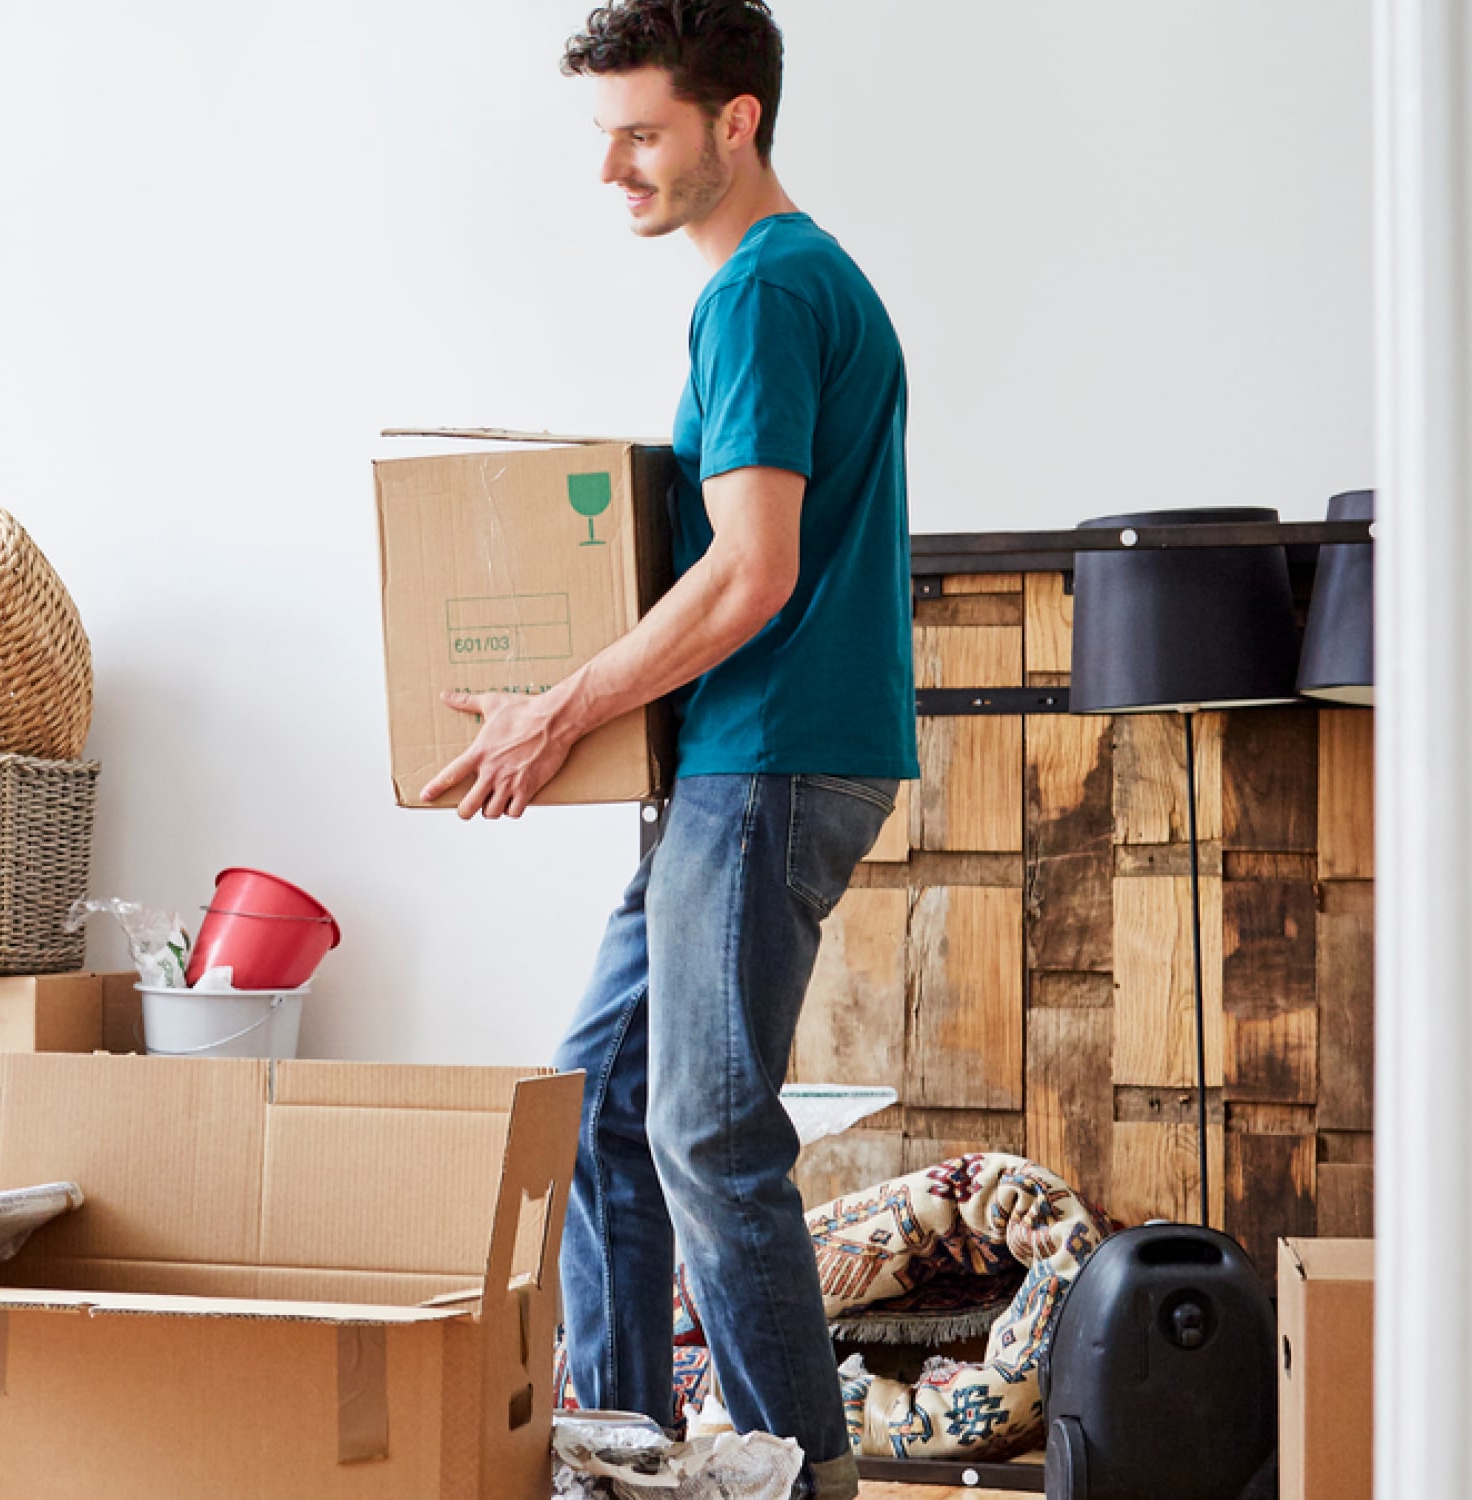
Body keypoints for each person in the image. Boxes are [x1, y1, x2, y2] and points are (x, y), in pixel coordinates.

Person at [416, 4, 913, 1496]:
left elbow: (754, 570)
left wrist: (554, 711)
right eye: (603, 135)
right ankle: (625, 1446)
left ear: (736, 121)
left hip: (766, 761)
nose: (614, 167)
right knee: (596, 1104)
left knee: (702, 1132)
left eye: (643, 131)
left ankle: (789, 1472)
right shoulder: (788, 281)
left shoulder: (762, 289)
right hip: (734, 763)